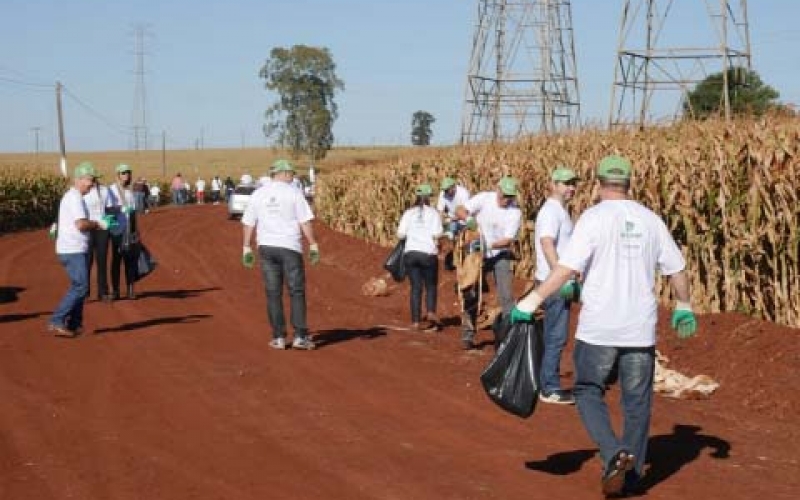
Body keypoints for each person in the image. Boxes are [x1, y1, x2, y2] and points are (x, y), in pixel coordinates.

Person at [509, 155, 697, 498]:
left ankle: (613, 453)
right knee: (637, 402)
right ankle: (633, 476)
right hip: (640, 328)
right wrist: (683, 305)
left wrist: (530, 301)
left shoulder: (592, 219)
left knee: (586, 390)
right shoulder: (651, 220)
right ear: (630, 183)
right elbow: (677, 270)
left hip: (598, 328)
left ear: (598, 184)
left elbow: (565, 269)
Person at [241, 159, 320, 350]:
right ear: (283, 173)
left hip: (266, 248)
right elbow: (305, 222)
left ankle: (278, 337)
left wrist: (246, 246)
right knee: (296, 290)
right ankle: (300, 336)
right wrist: (313, 244)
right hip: (290, 247)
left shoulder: (258, 194)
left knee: (273, 292)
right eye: (291, 173)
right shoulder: (294, 193)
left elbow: (248, 222)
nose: (293, 176)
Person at [454, 176, 522, 350]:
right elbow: (460, 210)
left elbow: (507, 240)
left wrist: (488, 245)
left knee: (506, 296)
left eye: (509, 196)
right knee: (471, 292)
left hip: (499, 254)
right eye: (503, 195)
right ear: (497, 190)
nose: (505, 199)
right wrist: (469, 221)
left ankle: (508, 336)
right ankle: (468, 334)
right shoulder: (484, 198)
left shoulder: (515, 212)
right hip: (477, 254)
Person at [49, 162, 114, 337]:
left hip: (75, 248)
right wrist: (99, 223)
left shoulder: (77, 197)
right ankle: (57, 320)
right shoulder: (75, 197)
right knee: (80, 286)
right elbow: (81, 224)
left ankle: (74, 323)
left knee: (80, 286)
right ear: (78, 179)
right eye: (90, 180)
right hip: (72, 249)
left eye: (93, 180)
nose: (92, 184)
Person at [534, 166, 581, 405]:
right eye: (566, 183)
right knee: (556, 335)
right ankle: (549, 388)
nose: (571, 188)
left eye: (573, 183)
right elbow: (547, 243)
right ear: (553, 184)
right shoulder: (551, 211)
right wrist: (559, 276)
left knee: (552, 333)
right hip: (553, 282)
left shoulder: (559, 211)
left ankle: (544, 380)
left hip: (554, 280)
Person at [397, 183, 443, 331]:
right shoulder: (434, 213)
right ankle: (430, 311)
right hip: (428, 253)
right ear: (429, 198)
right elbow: (437, 234)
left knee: (415, 287)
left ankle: (416, 322)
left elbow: (401, 234)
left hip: (410, 253)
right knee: (431, 285)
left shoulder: (408, 213)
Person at [109, 163, 139, 300]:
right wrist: (120, 209)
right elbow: (107, 210)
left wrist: (134, 231)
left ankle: (130, 289)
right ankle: (115, 291)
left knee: (130, 261)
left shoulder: (130, 192)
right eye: (123, 173)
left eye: (128, 172)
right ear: (118, 175)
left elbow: (133, 213)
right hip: (116, 231)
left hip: (128, 231)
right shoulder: (111, 190)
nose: (126, 175)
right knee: (116, 260)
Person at [83, 174, 116, 302]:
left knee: (102, 261)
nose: (93, 180)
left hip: (103, 228)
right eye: (91, 178)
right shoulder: (84, 191)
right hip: (89, 227)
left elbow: (109, 208)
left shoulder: (104, 190)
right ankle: (84, 293)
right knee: (87, 261)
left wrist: (110, 223)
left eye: (94, 178)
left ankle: (103, 292)